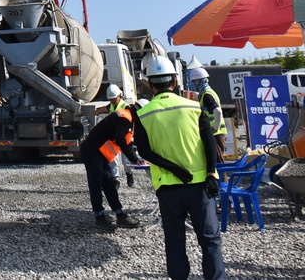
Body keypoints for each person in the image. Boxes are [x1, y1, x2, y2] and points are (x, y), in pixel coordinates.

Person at [134, 55, 225, 280]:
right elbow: (209, 142)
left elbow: (144, 152)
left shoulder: (143, 114)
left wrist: (173, 169)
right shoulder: (194, 107)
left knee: (175, 243)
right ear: (174, 82)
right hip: (201, 185)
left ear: (150, 84)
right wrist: (212, 173)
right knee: (210, 241)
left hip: (168, 187)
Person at [79, 103, 142, 232]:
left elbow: (128, 143)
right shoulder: (125, 119)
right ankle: (99, 217)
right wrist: (134, 158)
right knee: (96, 183)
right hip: (92, 151)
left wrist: (136, 158)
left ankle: (120, 214)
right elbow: (120, 139)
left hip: (99, 153)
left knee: (109, 182)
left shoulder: (129, 120)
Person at [94, 83, 136, 187]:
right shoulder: (112, 105)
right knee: (113, 159)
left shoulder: (125, 106)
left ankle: (129, 174)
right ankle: (115, 179)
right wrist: (97, 111)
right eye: (111, 99)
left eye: (114, 98)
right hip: (114, 138)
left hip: (125, 137)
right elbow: (106, 108)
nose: (112, 101)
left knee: (126, 160)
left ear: (119, 96)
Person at [187, 57, 227, 162]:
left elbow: (217, 111)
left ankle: (223, 180)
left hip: (215, 134)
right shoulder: (209, 92)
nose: (193, 85)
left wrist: (216, 127)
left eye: (194, 82)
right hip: (218, 134)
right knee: (217, 163)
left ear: (198, 82)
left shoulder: (206, 95)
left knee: (217, 164)